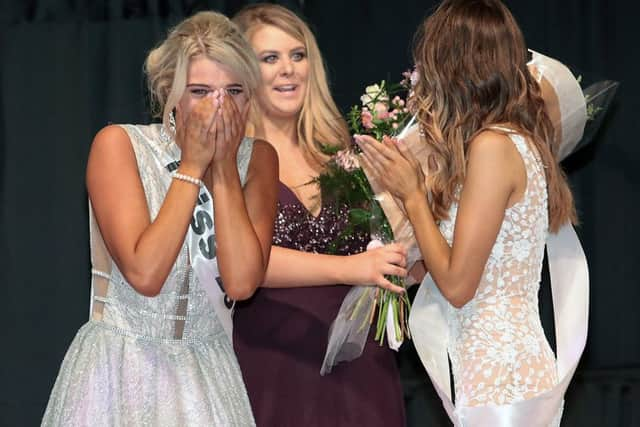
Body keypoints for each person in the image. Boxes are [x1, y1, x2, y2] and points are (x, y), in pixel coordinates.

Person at [42, 11, 278, 426]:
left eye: (234, 91)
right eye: (201, 91)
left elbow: (241, 282)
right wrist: (192, 165)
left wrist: (222, 169)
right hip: (120, 366)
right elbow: (145, 273)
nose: (218, 107)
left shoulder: (257, 159)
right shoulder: (120, 145)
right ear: (170, 92)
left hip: (206, 373)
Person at [357, 0, 581, 425]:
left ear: (456, 66)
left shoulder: (492, 147)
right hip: (494, 369)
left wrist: (412, 196)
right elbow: (475, 271)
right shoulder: (510, 141)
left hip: (502, 378)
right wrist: (409, 266)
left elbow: (460, 286)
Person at [231, 4, 406, 426]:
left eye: (298, 55)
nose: (288, 70)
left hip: (360, 362)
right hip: (274, 359)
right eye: (270, 59)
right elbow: (242, 263)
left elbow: (389, 244)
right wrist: (353, 267)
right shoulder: (230, 161)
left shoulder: (346, 153)